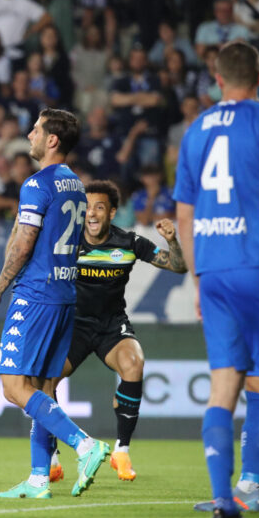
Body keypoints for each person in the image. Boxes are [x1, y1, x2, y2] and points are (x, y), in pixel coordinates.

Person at [0, 108, 109, 500]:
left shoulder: (38, 184)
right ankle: (39, 478)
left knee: (14, 387)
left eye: (36, 130)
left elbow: (23, 244)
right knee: (43, 389)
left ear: (52, 139)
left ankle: (85, 445)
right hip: (64, 294)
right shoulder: (76, 184)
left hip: (35, 294)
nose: (30, 135)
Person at [45, 180, 186, 484]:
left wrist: (172, 241)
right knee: (45, 380)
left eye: (100, 208)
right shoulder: (67, 243)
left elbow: (178, 266)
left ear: (111, 213)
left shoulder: (129, 242)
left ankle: (122, 451)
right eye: (88, 208)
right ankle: (52, 457)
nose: (92, 214)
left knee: (134, 364)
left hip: (111, 325)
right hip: (74, 326)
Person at [174, 40, 259, 518]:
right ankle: (252, 482)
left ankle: (225, 502)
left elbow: (184, 217)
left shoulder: (196, 130)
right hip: (256, 261)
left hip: (213, 270)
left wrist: (198, 279)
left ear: (219, 80)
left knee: (224, 386)